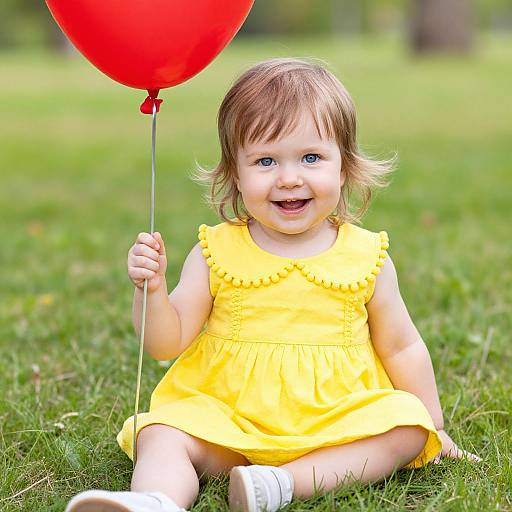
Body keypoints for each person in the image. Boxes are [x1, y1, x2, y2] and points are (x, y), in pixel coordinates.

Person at [65, 58, 481, 512]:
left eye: (311, 157)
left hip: (334, 423)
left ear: (343, 167)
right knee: (162, 432)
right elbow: (166, 342)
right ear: (236, 175)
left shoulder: (367, 258)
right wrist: (152, 291)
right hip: (229, 420)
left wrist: (433, 427)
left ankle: (277, 484)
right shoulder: (216, 251)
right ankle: (156, 501)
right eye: (265, 160)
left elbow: (402, 348)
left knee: (404, 429)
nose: (288, 178)